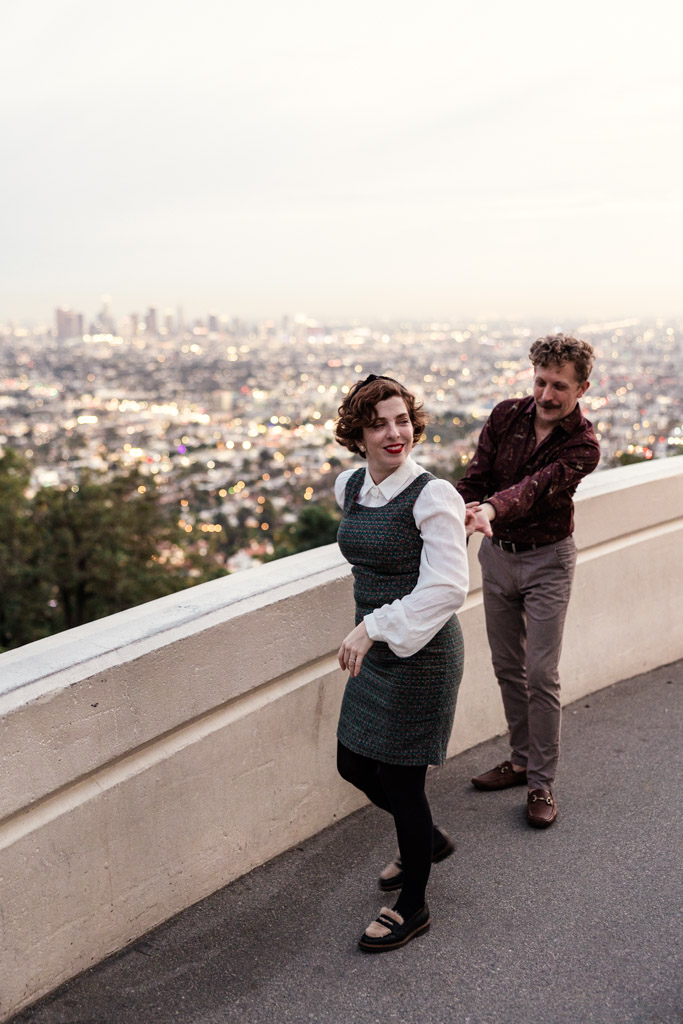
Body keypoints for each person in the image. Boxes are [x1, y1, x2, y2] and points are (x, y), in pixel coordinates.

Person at [334, 373, 477, 953]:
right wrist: (370, 629)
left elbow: (448, 587)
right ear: (358, 434)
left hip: (421, 652)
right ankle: (425, 838)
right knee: (352, 764)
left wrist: (372, 626)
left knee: (401, 779)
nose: (395, 434)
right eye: (379, 424)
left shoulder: (433, 495)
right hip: (375, 648)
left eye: (402, 421)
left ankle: (413, 905)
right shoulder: (350, 487)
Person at [457, 333, 601, 828]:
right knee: (506, 665)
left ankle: (541, 781)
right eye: (541, 381)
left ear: (582, 387)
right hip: (498, 556)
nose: (546, 395)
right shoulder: (504, 416)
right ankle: (519, 760)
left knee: (542, 674)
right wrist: (446, 509)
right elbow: (476, 478)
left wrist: (492, 507)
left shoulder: (583, 446)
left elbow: (532, 490)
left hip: (547, 562)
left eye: (559, 386)